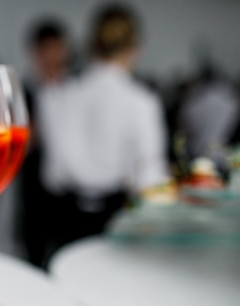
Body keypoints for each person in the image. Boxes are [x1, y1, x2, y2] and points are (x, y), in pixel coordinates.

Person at [34, 4, 170, 270]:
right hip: (117, 220)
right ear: (134, 47)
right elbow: (150, 183)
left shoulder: (61, 96)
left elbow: (53, 176)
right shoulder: (141, 102)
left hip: (67, 221)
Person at [19, 18, 72, 268]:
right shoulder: (24, 94)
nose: (51, 57)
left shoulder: (77, 93)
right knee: (34, 253)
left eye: (55, 49)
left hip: (71, 194)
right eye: (44, 51)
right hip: (33, 190)